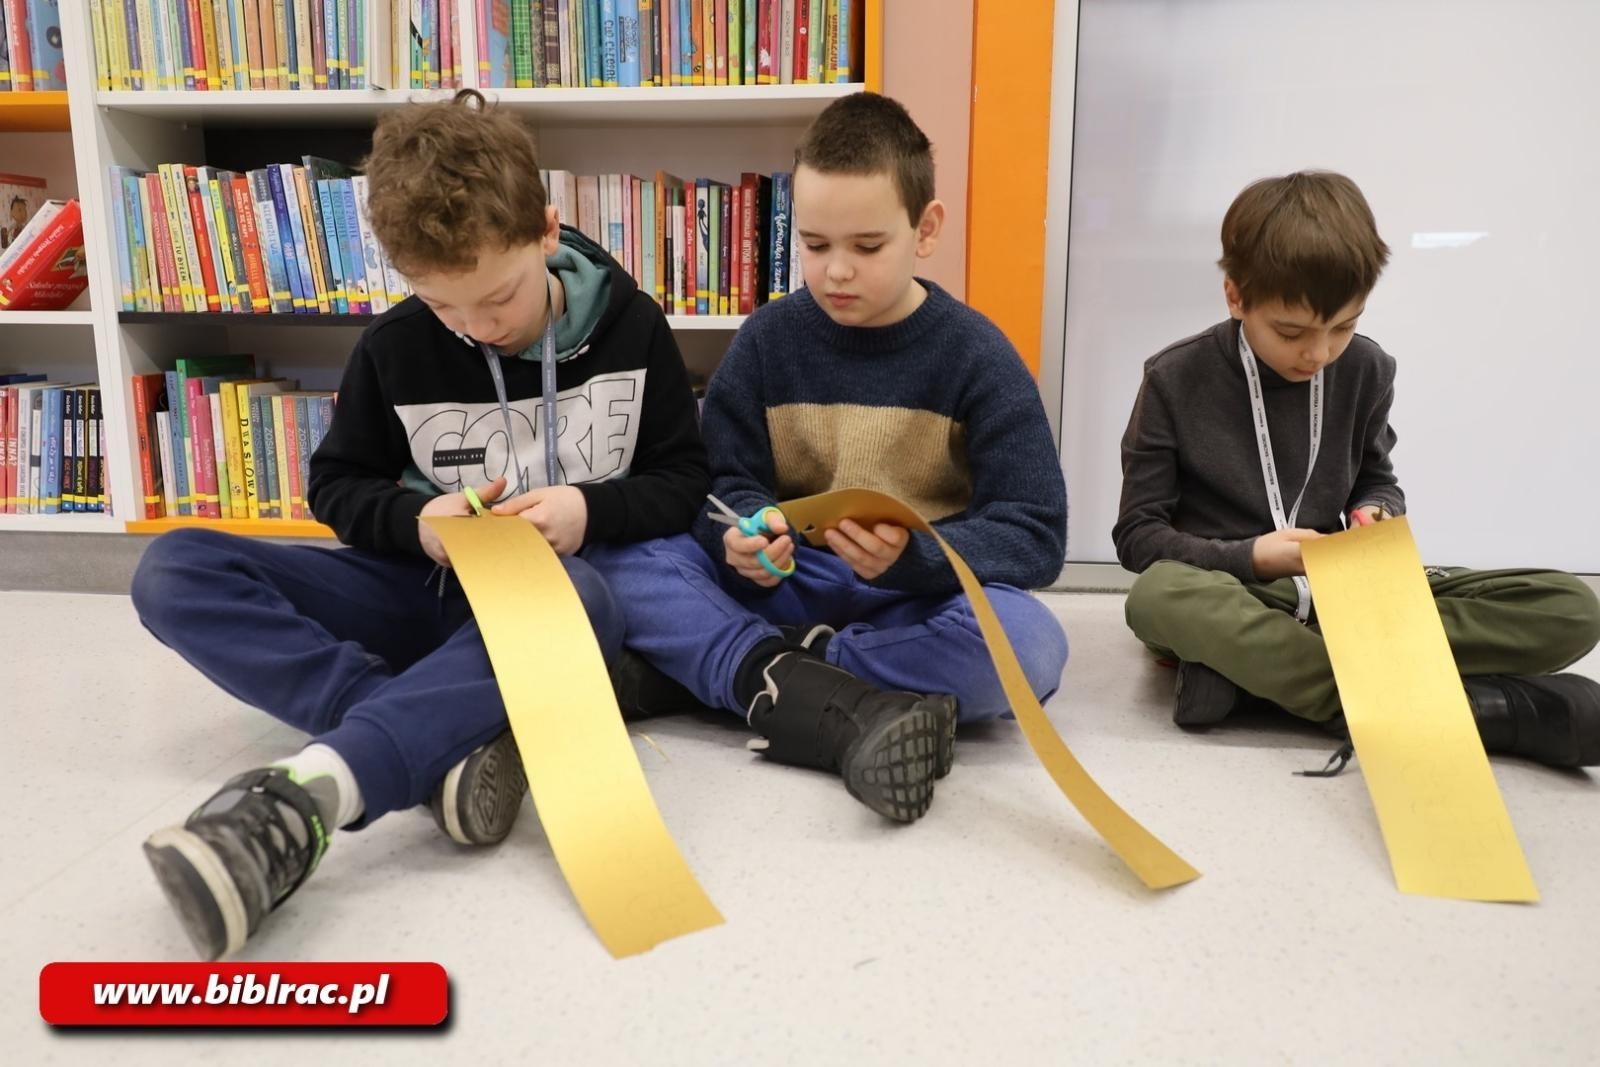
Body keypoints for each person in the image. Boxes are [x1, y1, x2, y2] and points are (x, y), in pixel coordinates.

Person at [130, 90, 709, 959]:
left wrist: (590, 508)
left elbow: (683, 479)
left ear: (547, 231)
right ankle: (420, 738)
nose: (478, 327)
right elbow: (336, 486)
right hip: (423, 583)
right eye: (446, 308)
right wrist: (415, 521)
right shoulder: (394, 346)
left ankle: (318, 787)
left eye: (498, 297)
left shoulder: (633, 327)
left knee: (582, 601)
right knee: (172, 570)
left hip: (547, 598)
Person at [589, 92, 1069, 825]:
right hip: (791, 581)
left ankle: (749, 669)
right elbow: (720, 484)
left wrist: (918, 557)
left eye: (867, 247)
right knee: (627, 561)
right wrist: (745, 535)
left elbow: (1036, 534)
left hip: (916, 602)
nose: (836, 270)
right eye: (814, 245)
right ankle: (783, 672)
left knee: (1033, 644)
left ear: (926, 229)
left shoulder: (978, 355)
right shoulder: (766, 339)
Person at [1114, 170, 1600, 766]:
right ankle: (1449, 709)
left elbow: (1376, 478)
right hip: (1232, 590)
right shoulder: (1173, 377)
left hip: (1340, 594)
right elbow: (1139, 539)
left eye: (1343, 327)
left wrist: (1378, 511)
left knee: (1568, 606)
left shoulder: (1368, 368)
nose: (1318, 354)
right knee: (1159, 596)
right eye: (1291, 332)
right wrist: (1253, 556)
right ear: (1236, 296)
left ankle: (1252, 682)